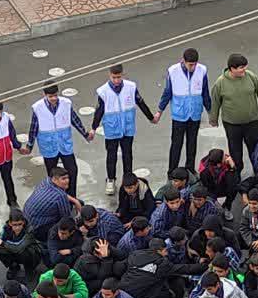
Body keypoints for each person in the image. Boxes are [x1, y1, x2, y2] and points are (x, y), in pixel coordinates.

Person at [210, 53, 258, 174]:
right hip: (232, 125)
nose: (244, 70)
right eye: (241, 68)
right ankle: (236, 175)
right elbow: (215, 102)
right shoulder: (220, 83)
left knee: (256, 151)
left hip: (252, 122)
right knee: (235, 152)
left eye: (245, 67)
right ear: (232, 68)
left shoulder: (251, 77)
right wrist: (213, 119)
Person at [93, 64, 155, 195]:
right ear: (109, 75)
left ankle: (128, 179)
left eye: (118, 77)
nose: (116, 80)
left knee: (127, 154)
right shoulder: (103, 91)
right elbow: (99, 111)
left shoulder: (131, 87)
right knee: (111, 155)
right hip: (112, 129)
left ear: (123, 75)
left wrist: (150, 117)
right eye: (114, 77)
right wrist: (93, 128)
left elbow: (140, 102)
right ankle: (111, 179)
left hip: (127, 127)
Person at [23, 83, 92, 198]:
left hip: (65, 144)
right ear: (45, 95)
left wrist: (85, 134)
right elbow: (33, 128)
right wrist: (29, 146)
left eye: (55, 95)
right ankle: (56, 198)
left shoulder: (66, 104)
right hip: (48, 146)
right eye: (50, 96)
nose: (53, 98)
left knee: (72, 170)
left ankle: (71, 197)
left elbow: (75, 120)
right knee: (53, 175)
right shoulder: (38, 107)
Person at [157, 48, 213, 175]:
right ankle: (172, 171)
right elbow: (167, 93)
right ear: (183, 61)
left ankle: (190, 168)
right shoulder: (173, 71)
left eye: (194, 64)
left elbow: (205, 92)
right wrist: (160, 110)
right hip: (179, 114)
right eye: (190, 65)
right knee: (176, 144)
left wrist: (210, 112)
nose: (193, 67)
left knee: (192, 143)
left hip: (195, 114)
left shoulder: (202, 70)